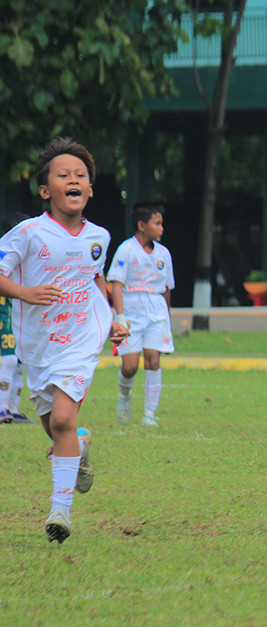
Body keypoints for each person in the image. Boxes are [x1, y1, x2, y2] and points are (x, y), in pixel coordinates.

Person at [0, 137, 129, 543]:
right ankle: (81, 445)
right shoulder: (27, 234)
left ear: (90, 189)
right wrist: (25, 293)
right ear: (45, 190)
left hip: (79, 341)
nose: (73, 180)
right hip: (38, 347)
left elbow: (95, 280)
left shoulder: (100, 236)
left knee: (61, 420)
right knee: (57, 429)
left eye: (80, 175)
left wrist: (111, 319)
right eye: (63, 175)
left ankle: (60, 511)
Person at [108, 200, 175, 427]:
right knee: (130, 366)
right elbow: (116, 284)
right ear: (142, 225)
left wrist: (167, 318)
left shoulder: (164, 254)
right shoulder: (126, 250)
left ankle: (149, 414)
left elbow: (166, 289)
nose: (161, 228)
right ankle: (124, 396)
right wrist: (120, 316)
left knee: (153, 360)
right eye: (157, 223)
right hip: (131, 311)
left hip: (156, 310)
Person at [0, 212, 35, 424]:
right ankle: (2, 408)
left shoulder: (30, 255)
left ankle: (13, 409)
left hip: (20, 313)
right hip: (4, 311)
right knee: (10, 358)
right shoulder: (5, 251)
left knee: (20, 361)